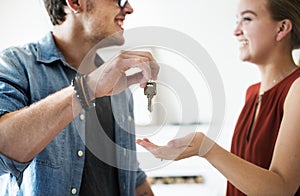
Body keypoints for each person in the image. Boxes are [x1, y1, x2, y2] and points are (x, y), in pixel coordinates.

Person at [137, 0, 300, 195]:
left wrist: (206, 148)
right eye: (237, 21)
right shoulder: (252, 93)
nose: (236, 31)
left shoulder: (296, 88)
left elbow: (281, 189)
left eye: (247, 19)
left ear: (282, 28)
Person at [0, 0, 159, 195]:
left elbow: (131, 175)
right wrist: (88, 88)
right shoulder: (16, 65)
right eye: (118, 0)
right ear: (75, 2)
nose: (128, 8)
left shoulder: (121, 87)